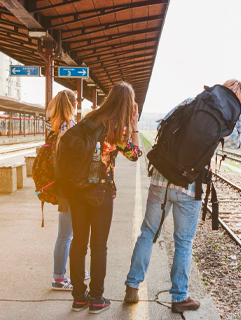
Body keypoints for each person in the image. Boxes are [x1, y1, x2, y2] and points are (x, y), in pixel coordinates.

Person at [124, 79, 241, 313]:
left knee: (148, 233)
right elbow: (240, 143)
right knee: (183, 242)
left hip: (161, 177)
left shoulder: (193, 102)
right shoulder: (229, 119)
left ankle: (132, 286)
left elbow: (165, 122)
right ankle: (179, 297)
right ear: (239, 99)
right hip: (189, 186)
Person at [69, 82, 142, 314]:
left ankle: (79, 297)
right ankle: (97, 299)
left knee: (78, 243)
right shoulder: (118, 128)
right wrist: (134, 126)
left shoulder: (90, 118)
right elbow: (135, 155)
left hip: (77, 189)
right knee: (98, 246)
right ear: (128, 105)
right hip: (101, 193)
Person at [46, 90, 90, 291]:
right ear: (73, 106)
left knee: (67, 233)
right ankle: (58, 278)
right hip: (70, 186)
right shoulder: (70, 127)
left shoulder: (57, 125)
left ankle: (72, 271)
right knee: (65, 234)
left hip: (64, 184)